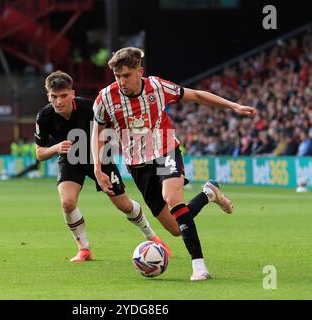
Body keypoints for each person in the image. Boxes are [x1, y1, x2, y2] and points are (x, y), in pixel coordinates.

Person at [91, 47, 257, 281]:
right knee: (176, 229)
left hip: (165, 150)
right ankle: (208, 194)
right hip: (137, 166)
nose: (121, 81)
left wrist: (234, 106)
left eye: (126, 75)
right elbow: (97, 132)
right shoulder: (106, 97)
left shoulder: (157, 87)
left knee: (173, 198)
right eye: (117, 76)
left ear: (140, 71)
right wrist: (98, 168)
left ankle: (199, 267)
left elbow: (197, 95)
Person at [34, 70, 167, 262]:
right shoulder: (44, 116)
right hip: (70, 159)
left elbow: (118, 126)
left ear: (72, 93)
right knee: (67, 203)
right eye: (54, 97)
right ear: (48, 96)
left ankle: (152, 238)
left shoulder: (91, 107)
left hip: (100, 158)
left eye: (63, 96)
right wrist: (55, 148)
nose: (59, 102)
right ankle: (84, 249)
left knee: (124, 205)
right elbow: (39, 153)